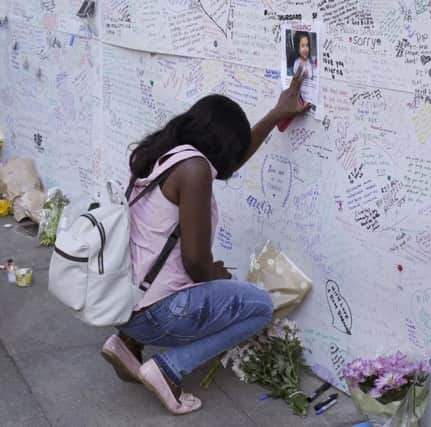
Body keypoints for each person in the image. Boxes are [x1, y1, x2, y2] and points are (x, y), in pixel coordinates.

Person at [100, 67, 311, 415]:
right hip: (158, 314)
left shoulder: (163, 154)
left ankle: (127, 343)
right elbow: (195, 262)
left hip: (125, 302)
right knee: (259, 306)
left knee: (173, 275)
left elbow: (229, 163)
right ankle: (168, 370)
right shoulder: (195, 170)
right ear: (221, 145)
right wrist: (217, 278)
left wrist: (275, 115)